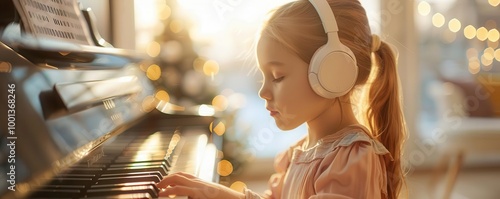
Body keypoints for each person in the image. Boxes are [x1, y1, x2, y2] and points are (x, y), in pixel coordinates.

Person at [157, 0, 407, 198]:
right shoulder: (299, 152)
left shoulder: (353, 159)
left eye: (277, 76)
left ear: (333, 72)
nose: (263, 92)